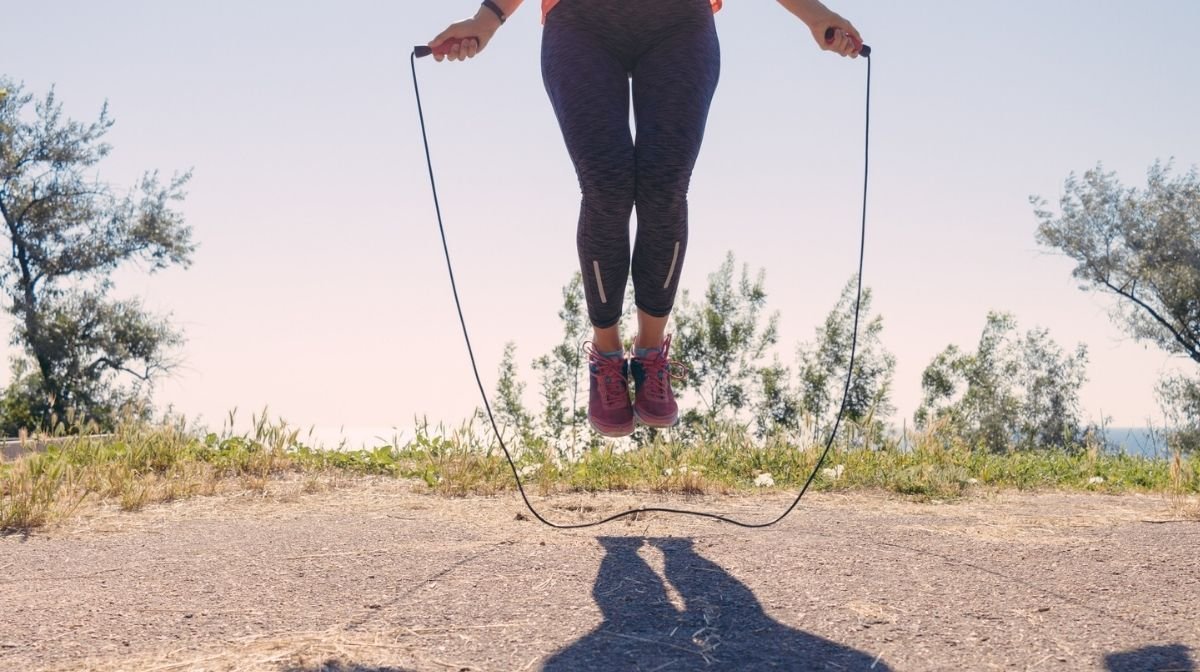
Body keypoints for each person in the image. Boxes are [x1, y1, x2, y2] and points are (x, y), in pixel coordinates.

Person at [428, 0, 864, 437]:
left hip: (678, 23)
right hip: (582, 24)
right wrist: (488, 20)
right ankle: (607, 355)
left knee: (665, 185)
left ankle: (651, 351)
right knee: (607, 185)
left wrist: (815, 15)